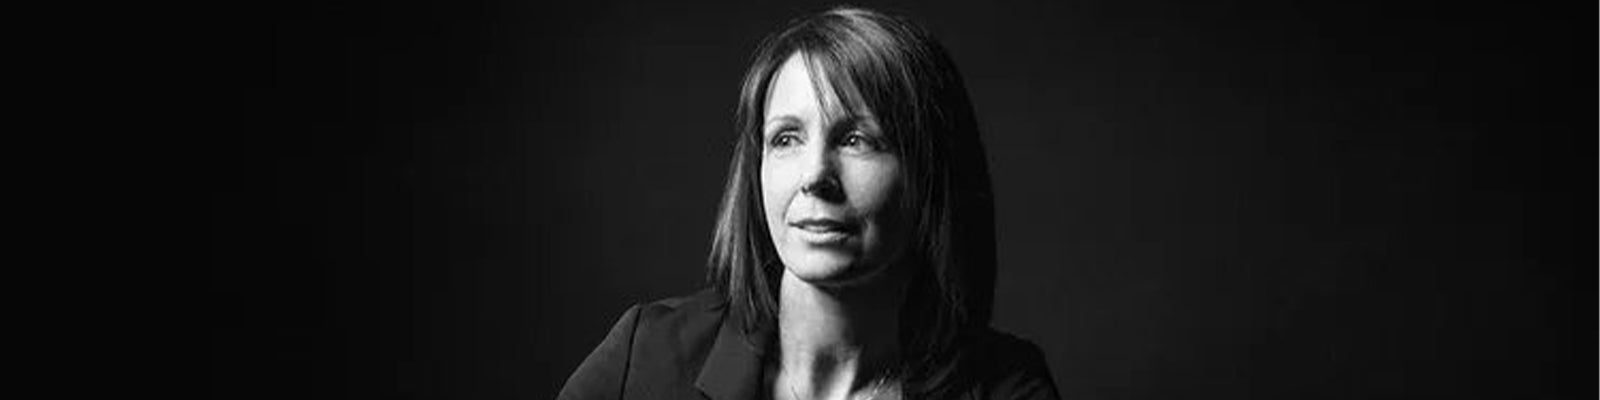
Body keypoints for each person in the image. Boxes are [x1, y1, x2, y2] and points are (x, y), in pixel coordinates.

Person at [558, 7, 1058, 400]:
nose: (815, 175)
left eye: (858, 139)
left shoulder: (1007, 388)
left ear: (929, 176)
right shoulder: (644, 355)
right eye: (786, 139)